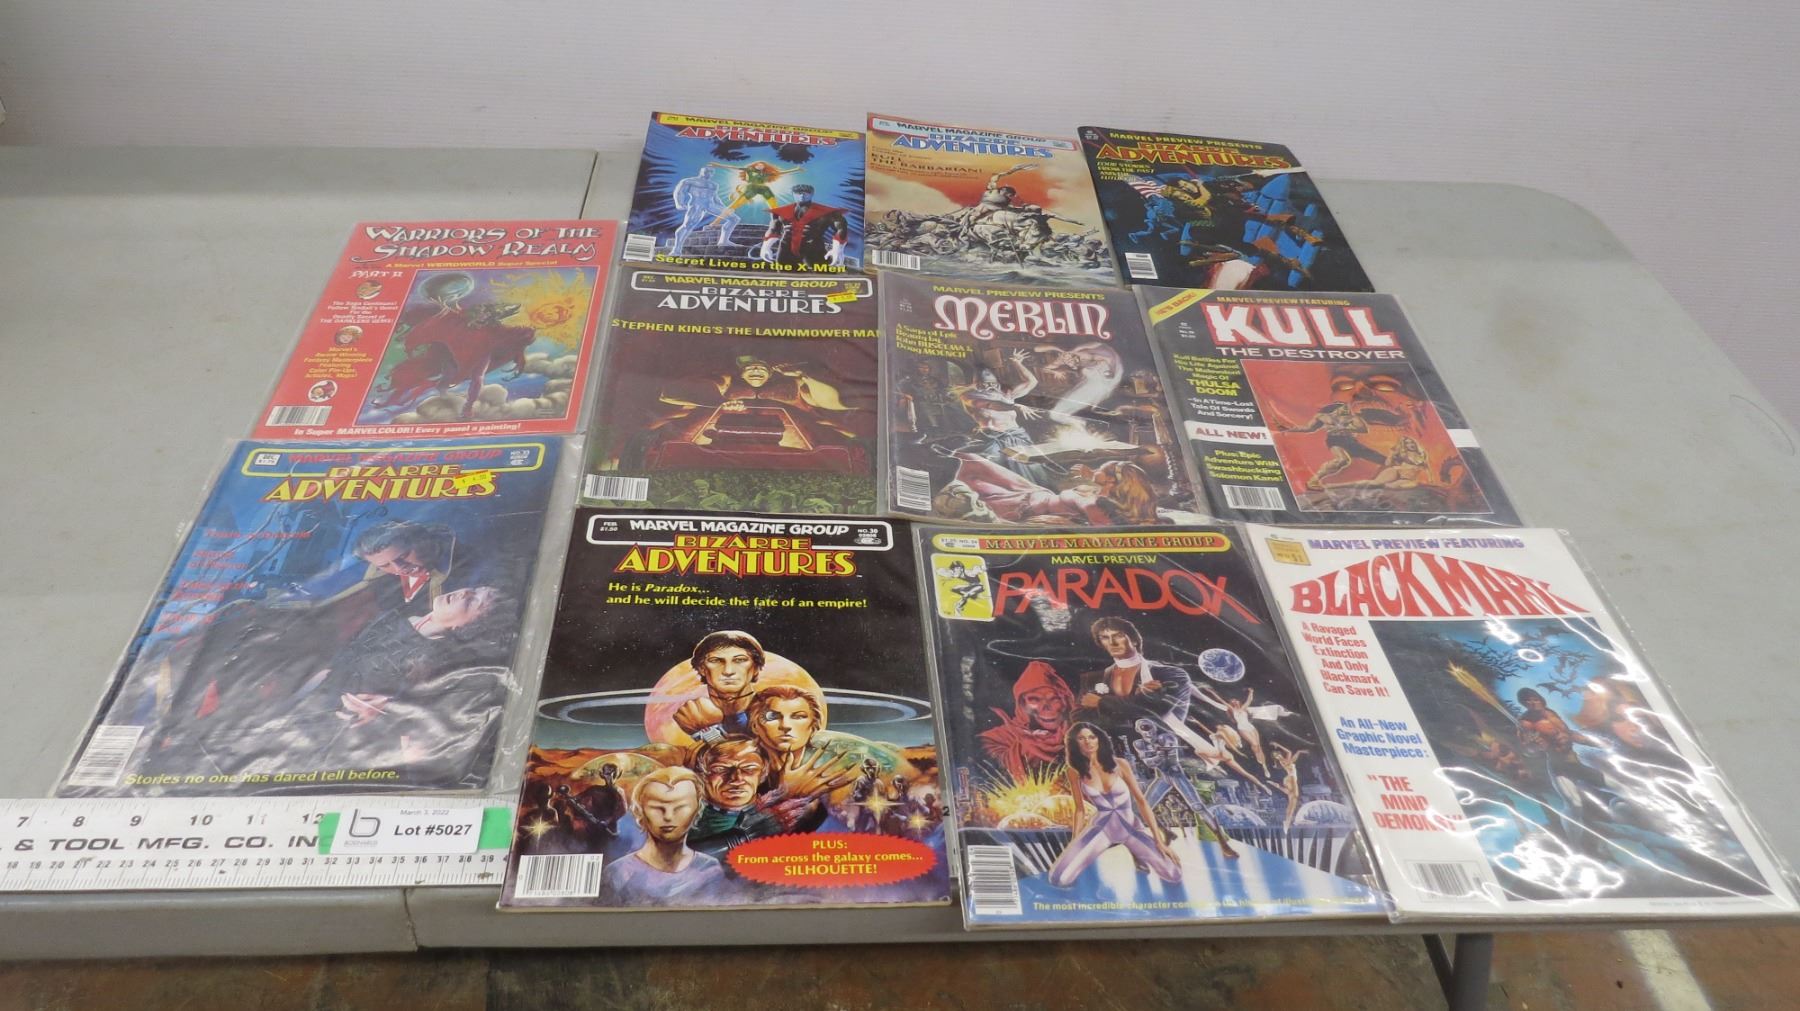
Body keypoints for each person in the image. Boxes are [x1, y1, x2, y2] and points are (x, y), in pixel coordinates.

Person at [1047, 722, 1182, 887]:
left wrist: (1158, 841)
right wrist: (1075, 843)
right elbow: (1079, 809)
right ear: (1075, 743)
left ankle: (1138, 855)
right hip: (1101, 829)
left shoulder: (1120, 764)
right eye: (1081, 738)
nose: (1088, 742)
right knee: (1058, 879)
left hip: (1130, 828)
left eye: (1092, 737)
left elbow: (1141, 801)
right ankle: (1136, 857)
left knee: (1174, 874)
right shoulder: (1074, 771)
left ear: (1099, 739)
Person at [597, 766, 728, 905]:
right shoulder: (618, 873)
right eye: (657, 807)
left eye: (680, 807)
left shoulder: (710, 869)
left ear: (697, 810)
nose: (668, 816)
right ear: (639, 811)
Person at [978, 660, 1075, 782]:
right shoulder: (996, 738)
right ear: (1021, 705)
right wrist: (1027, 747)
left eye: (1054, 699)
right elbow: (990, 771)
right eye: (1035, 700)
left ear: (1065, 702)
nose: (1046, 707)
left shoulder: (1081, 733)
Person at [673, 630, 766, 743]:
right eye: (716, 661)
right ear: (702, 668)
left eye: (740, 660)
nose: (728, 671)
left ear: (756, 668)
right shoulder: (690, 714)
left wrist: (709, 733)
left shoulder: (774, 708)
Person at [759, 184, 849, 268]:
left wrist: (837, 249)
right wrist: (766, 246)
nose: (802, 196)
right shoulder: (781, 212)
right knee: (784, 272)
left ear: (812, 194)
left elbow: (841, 228)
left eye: (806, 193)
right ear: (793, 194)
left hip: (814, 249)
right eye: (798, 193)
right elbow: (773, 228)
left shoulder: (828, 212)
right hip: (786, 248)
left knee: (819, 274)